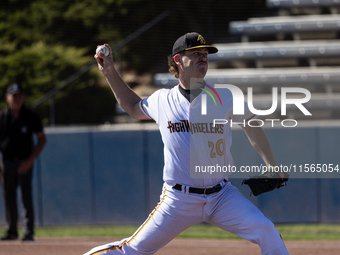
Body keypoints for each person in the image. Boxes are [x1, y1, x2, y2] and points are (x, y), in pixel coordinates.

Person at [84, 32, 289, 255]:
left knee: (266, 230)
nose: (203, 58)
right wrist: (110, 72)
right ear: (178, 60)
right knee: (132, 249)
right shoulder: (162, 100)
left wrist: (271, 165)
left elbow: (251, 125)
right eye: (196, 53)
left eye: (205, 54)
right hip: (179, 199)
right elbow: (133, 106)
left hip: (222, 196)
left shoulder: (225, 96)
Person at [0, 83, 46, 241]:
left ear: (23, 97)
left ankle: (28, 231)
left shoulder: (30, 116)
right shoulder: (2, 117)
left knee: (26, 196)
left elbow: (41, 139)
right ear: (7, 97)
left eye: (19, 95)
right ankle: (11, 230)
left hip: (25, 162)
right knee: (8, 197)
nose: (17, 99)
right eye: (14, 96)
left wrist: (30, 160)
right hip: (6, 162)